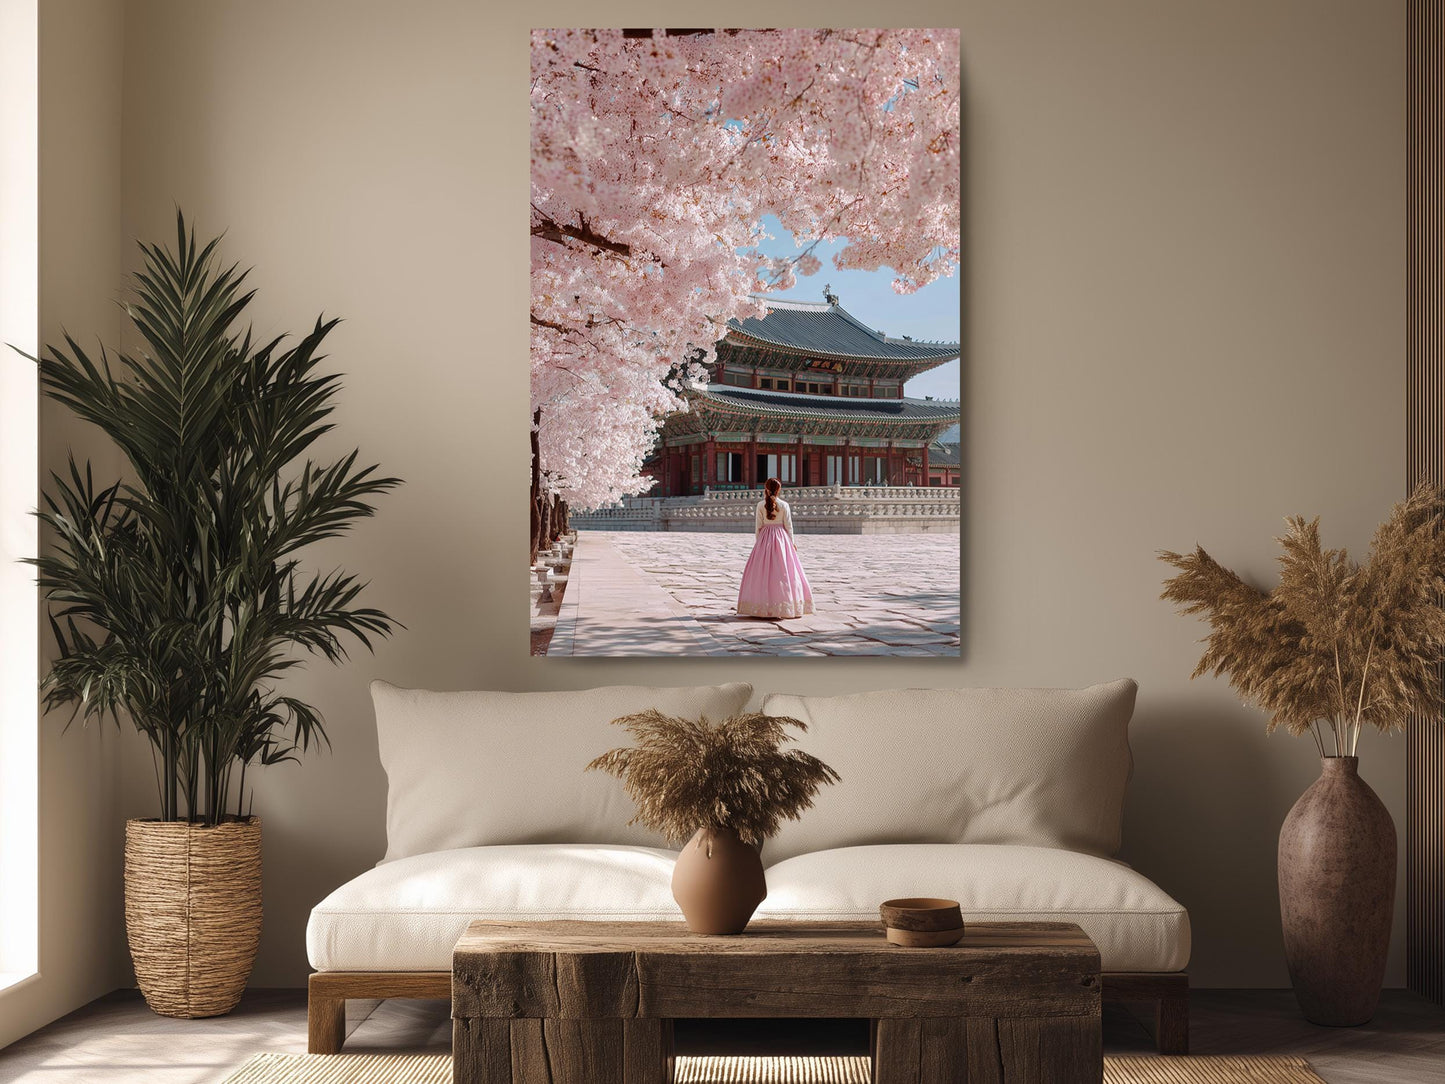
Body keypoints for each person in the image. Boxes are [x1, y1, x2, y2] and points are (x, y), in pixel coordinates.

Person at [736, 477, 814, 619]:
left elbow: (758, 527)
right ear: (778, 490)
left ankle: (761, 605)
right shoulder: (784, 505)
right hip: (781, 539)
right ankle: (785, 604)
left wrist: (758, 544)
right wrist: (792, 542)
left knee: (762, 572)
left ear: (766, 489)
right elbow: (788, 526)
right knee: (784, 571)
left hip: (765, 538)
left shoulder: (760, 505)